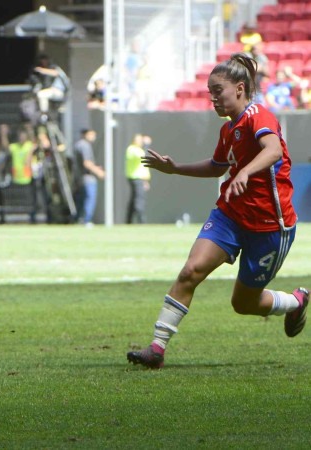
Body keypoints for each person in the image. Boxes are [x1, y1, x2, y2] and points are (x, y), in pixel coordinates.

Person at [127, 52, 307, 369]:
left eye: (217, 90)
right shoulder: (228, 130)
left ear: (240, 88)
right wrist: (175, 168)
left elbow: (273, 149)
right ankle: (156, 348)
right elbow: (216, 167)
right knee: (190, 272)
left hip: (269, 226)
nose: (213, 98)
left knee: (244, 303)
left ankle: (295, 302)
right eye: (210, 92)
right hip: (230, 215)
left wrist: (245, 172)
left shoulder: (258, 116)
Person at [74, 128, 104, 227]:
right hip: (87, 177)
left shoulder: (79, 144)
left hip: (80, 178)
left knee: (82, 198)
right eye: (92, 134)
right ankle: (86, 220)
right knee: (89, 198)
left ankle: (79, 219)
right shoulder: (84, 145)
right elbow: (86, 163)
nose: (93, 137)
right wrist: (98, 171)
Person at [28, 53, 70, 122]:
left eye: (44, 60)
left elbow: (55, 73)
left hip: (60, 92)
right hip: (53, 93)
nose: (43, 62)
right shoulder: (46, 73)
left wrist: (41, 70)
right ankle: (46, 115)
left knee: (41, 94)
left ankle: (44, 115)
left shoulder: (54, 67)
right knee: (40, 95)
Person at [125, 133, 151, 224]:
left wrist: (145, 181)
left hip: (140, 178)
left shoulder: (139, 149)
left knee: (134, 200)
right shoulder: (132, 149)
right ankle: (141, 222)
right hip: (135, 178)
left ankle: (128, 221)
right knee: (139, 200)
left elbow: (143, 167)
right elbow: (144, 158)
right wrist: (147, 145)